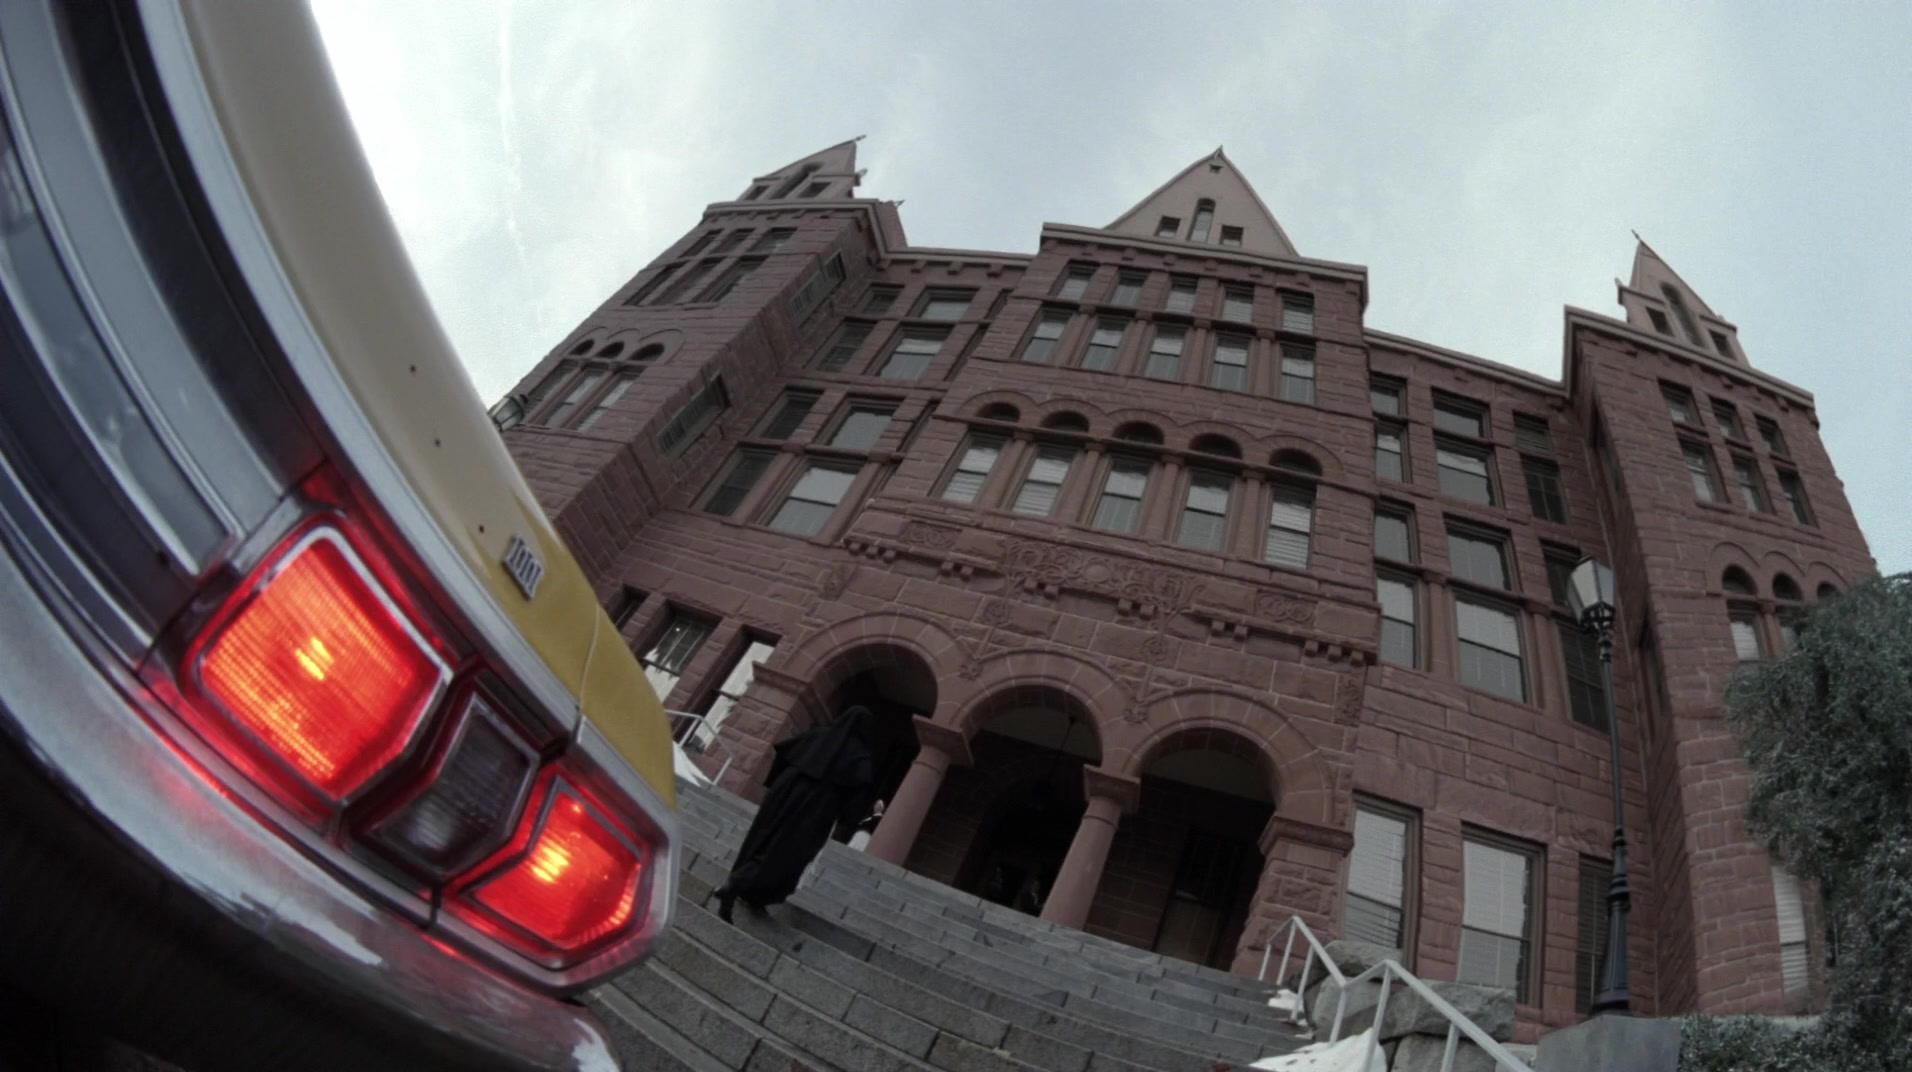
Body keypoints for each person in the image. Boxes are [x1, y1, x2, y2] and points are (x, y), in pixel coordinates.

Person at [713, 705, 881, 923]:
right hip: (818, 809)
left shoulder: (816, 735)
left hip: (784, 793)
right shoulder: (859, 757)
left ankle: (749, 892)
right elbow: (856, 796)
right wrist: (847, 819)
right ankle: (739, 885)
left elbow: (784, 753)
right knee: (789, 853)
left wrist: (776, 785)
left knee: (764, 837)